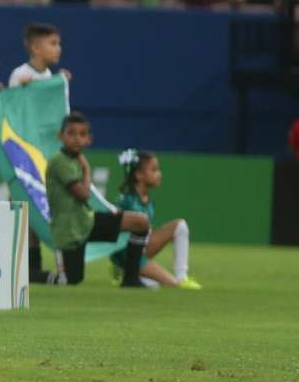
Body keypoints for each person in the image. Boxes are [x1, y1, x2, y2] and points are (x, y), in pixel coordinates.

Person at [47, 114, 149, 288]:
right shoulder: (59, 161)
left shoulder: (73, 160)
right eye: (71, 133)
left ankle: (131, 279)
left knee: (141, 222)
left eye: (82, 134)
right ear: (60, 136)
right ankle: (31, 275)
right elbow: (84, 194)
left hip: (87, 221)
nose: (77, 139)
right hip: (69, 231)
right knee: (70, 280)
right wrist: (87, 169)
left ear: (89, 139)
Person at [116, 150, 201, 289]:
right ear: (139, 175)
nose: (159, 174)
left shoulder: (148, 200)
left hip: (140, 252)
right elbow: (115, 232)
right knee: (170, 284)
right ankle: (124, 271)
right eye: (154, 170)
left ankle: (182, 276)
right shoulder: (127, 200)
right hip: (127, 255)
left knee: (180, 225)